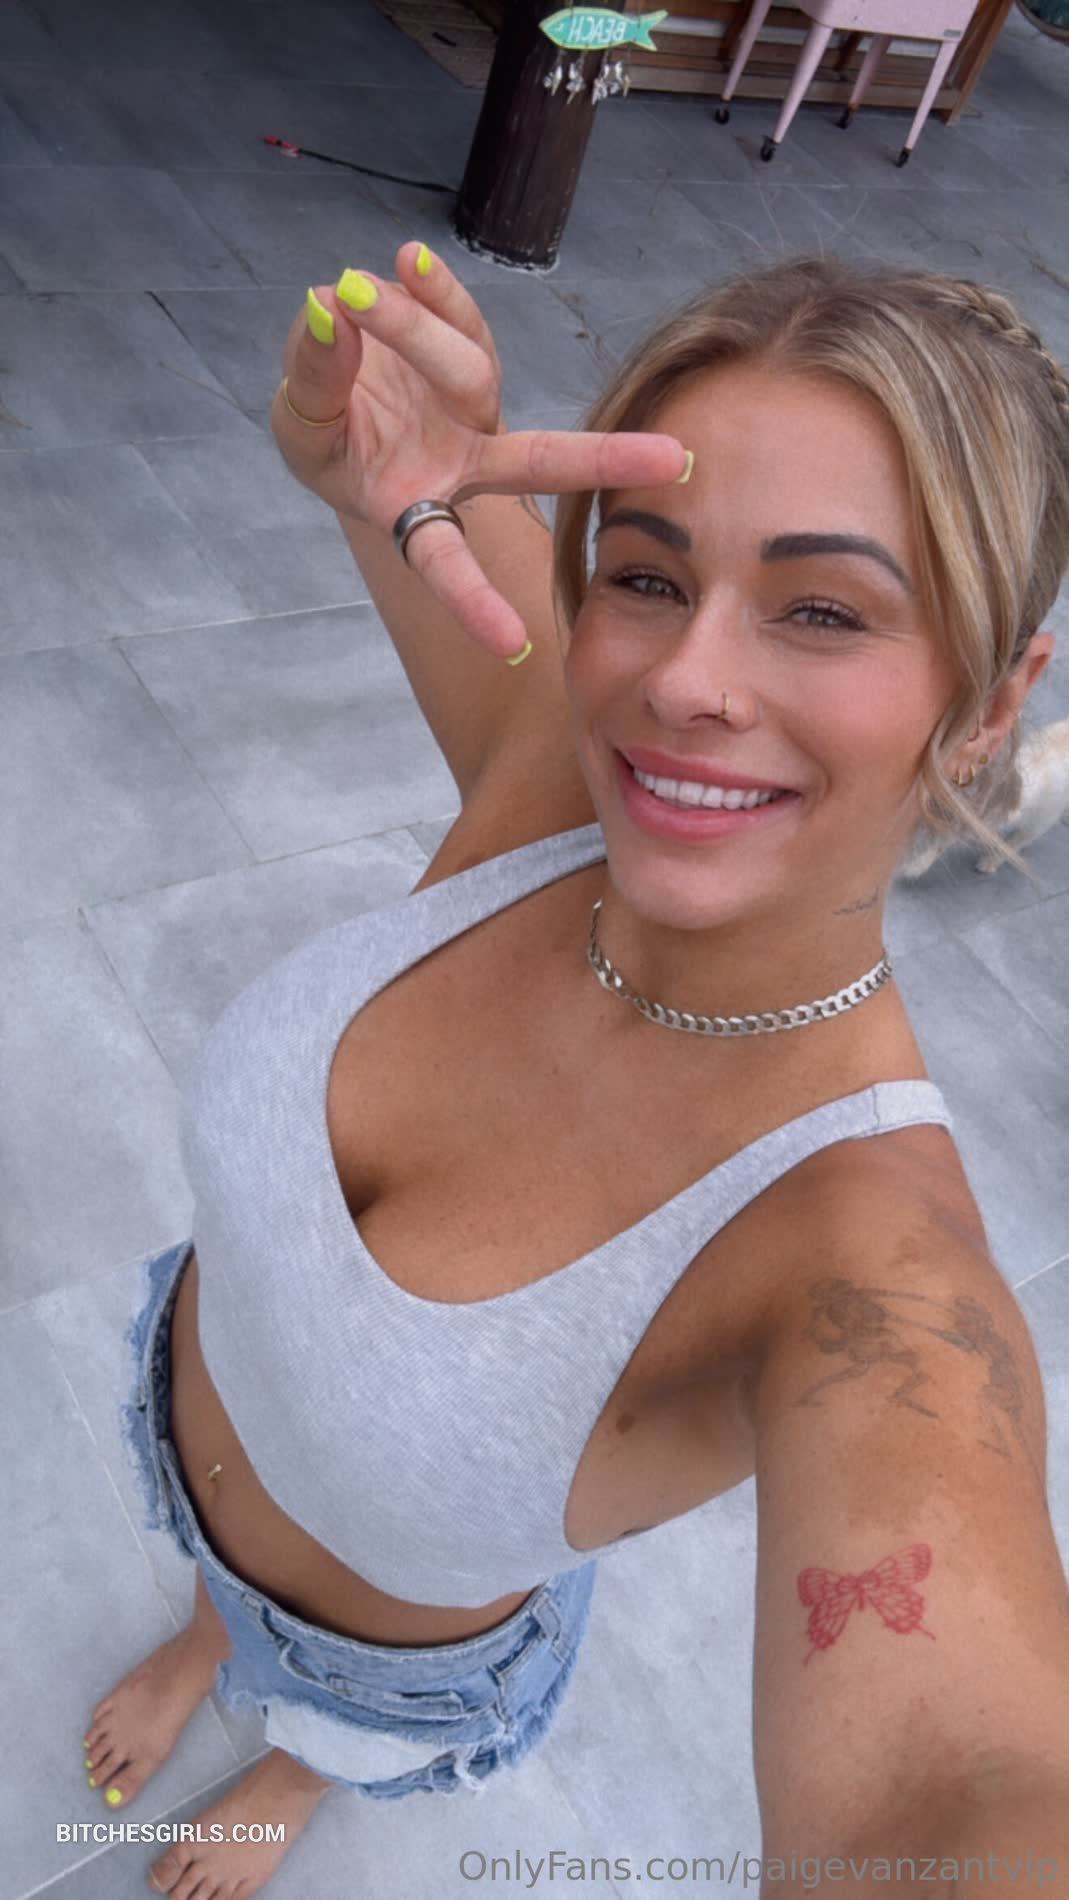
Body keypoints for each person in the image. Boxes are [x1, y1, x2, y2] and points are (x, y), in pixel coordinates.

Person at [88, 245, 1069, 1898]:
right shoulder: (563, 775)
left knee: (325, 1723)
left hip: (379, 1667)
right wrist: (377, 460)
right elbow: (404, 493)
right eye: (647, 575)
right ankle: (206, 1634)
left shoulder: (868, 1274)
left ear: (989, 704)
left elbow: (958, 1783)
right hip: (181, 1415)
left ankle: (297, 1762)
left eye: (822, 610)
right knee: (215, 1580)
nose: (681, 682)